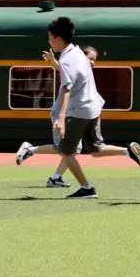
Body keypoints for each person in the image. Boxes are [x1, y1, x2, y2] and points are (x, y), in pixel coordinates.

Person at [16, 17, 140, 199]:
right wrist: (55, 63)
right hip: (93, 107)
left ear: (58, 39)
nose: (48, 41)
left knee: (65, 151)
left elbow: (66, 88)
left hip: (77, 111)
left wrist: (61, 118)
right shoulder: (77, 53)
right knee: (96, 150)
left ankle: (86, 188)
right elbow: (72, 75)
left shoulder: (68, 59)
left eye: (50, 37)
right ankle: (128, 152)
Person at [38, 44, 99, 188]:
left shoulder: (84, 73)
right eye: (90, 59)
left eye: (95, 60)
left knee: (70, 150)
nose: (93, 63)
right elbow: (64, 75)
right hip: (63, 114)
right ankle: (30, 150)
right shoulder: (76, 69)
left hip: (71, 114)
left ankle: (56, 178)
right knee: (65, 149)